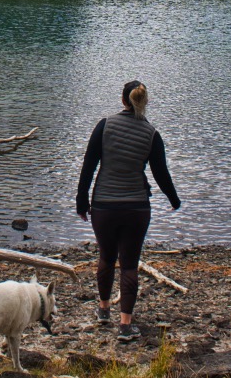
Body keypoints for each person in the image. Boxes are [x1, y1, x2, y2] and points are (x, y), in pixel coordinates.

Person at [75, 80, 180, 342]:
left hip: (104, 206)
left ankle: (103, 309)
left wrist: (81, 200)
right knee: (130, 264)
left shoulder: (104, 125)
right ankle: (125, 325)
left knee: (107, 258)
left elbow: (88, 165)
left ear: (123, 100)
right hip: (136, 207)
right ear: (144, 102)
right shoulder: (151, 134)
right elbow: (161, 174)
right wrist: (174, 199)